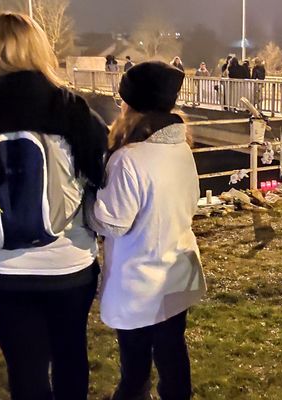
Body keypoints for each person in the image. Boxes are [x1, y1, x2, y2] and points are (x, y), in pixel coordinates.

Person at [0, 13, 108, 399]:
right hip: (67, 265)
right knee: (70, 355)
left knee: (24, 366)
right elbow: (99, 180)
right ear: (40, 49)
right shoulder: (71, 108)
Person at [86, 61, 206, 400]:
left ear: (132, 105)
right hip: (176, 273)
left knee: (135, 368)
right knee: (172, 357)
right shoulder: (182, 149)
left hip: (139, 279)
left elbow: (112, 222)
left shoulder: (129, 159)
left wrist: (86, 204)